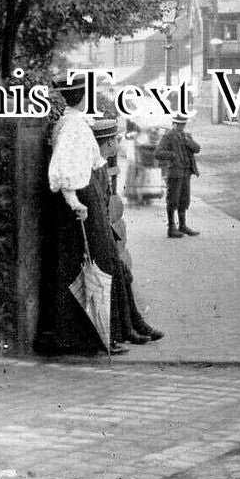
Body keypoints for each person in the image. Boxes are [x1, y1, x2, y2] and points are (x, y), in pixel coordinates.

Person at [35, 77, 129, 356]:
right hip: (81, 201)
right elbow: (62, 167)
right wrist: (74, 201)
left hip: (85, 198)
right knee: (92, 266)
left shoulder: (72, 122)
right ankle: (86, 337)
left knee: (88, 266)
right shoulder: (73, 125)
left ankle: (89, 336)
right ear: (82, 97)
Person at [93, 119, 164, 345]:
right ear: (109, 144)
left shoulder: (100, 165)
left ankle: (135, 325)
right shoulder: (94, 168)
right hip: (97, 238)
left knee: (123, 272)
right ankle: (129, 329)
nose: (117, 143)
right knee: (119, 272)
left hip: (103, 235)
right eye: (114, 139)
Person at [154, 112, 201, 238]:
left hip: (186, 172)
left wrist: (188, 142)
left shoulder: (186, 136)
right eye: (178, 124)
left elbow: (197, 149)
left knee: (184, 200)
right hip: (174, 172)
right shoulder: (168, 136)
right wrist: (172, 155)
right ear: (173, 124)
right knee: (173, 200)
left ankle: (183, 226)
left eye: (183, 124)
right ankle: (171, 228)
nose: (181, 127)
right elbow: (158, 153)